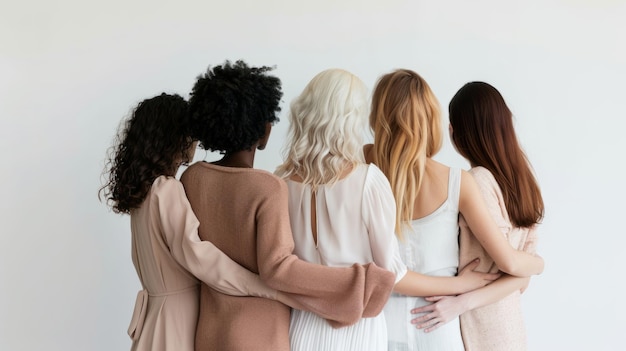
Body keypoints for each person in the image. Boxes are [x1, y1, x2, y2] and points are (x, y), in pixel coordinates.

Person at [275, 69, 501, 351]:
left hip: (302, 326)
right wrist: (462, 285)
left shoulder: (279, 183)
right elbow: (393, 273)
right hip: (360, 325)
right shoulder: (367, 179)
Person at [179, 60, 396, 351]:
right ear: (263, 130)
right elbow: (278, 268)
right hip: (272, 329)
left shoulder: (192, 178)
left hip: (211, 327)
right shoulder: (270, 187)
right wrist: (361, 283)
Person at [364, 69, 545, 351]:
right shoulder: (458, 182)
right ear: (430, 119)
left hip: (382, 324)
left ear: (377, 116)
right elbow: (507, 264)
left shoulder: (362, 171)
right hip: (439, 325)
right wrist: (538, 265)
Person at [99, 93, 280, 351]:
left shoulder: (144, 193)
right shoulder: (166, 189)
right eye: (191, 132)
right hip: (177, 322)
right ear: (177, 136)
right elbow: (198, 256)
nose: (196, 140)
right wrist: (264, 287)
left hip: (154, 320)